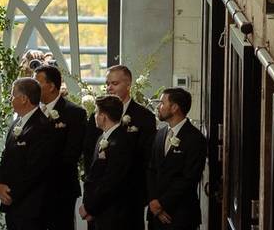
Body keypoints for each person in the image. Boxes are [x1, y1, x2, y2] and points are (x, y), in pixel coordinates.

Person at [82, 65, 156, 229]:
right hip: (99, 200)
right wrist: (92, 197)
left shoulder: (144, 117)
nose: (109, 87)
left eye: (114, 83)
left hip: (129, 198)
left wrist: (141, 196)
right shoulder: (97, 116)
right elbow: (89, 154)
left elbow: (147, 159)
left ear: (128, 84)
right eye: (107, 83)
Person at [0, 77, 59, 230]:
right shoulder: (16, 123)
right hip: (12, 204)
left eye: (12, 96)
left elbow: (36, 169)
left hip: (31, 206)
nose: (10, 100)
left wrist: (12, 193)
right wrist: (0, 184)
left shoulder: (43, 127)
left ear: (23, 98)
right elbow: (6, 156)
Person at [34, 65, 86, 230]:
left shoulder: (75, 113)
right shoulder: (32, 112)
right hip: (33, 191)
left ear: (51, 86)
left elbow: (72, 153)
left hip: (61, 188)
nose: (34, 88)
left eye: (38, 83)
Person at [146, 88, 206, 230]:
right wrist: (153, 201)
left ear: (174, 107)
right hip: (155, 214)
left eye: (161, 103)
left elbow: (189, 178)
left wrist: (162, 204)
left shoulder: (195, 139)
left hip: (180, 215)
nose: (158, 107)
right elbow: (151, 169)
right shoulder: (160, 134)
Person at [80, 95, 134, 229]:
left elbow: (111, 182)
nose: (94, 116)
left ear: (103, 116)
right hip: (98, 212)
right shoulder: (101, 138)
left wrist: (91, 208)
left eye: (96, 112)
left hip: (112, 214)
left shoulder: (121, 141)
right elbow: (93, 176)